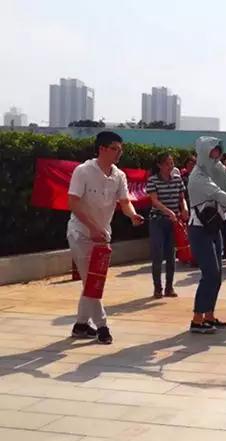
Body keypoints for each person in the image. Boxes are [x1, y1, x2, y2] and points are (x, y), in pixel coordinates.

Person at [67, 131, 144, 344]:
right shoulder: (83, 171)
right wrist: (91, 228)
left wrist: (132, 215)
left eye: (120, 150)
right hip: (81, 234)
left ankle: (81, 325)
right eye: (114, 149)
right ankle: (102, 326)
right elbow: (73, 202)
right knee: (92, 280)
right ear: (101, 149)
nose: (119, 153)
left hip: (102, 237)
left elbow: (125, 202)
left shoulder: (119, 176)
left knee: (92, 281)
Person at [187, 136, 226, 334]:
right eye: (213, 152)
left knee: (217, 274)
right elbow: (217, 194)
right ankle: (197, 320)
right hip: (199, 229)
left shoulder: (216, 167)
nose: (216, 156)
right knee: (210, 273)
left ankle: (209, 316)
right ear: (204, 153)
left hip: (213, 226)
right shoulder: (198, 176)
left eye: (218, 152)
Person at [147, 152, 188, 298]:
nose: (170, 166)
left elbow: (182, 198)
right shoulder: (153, 180)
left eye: (172, 163)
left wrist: (184, 209)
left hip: (173, 222)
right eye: (167, 164)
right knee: (157, 254)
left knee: (171, 254)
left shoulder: (177, 179)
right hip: (157, 220)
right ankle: (157, 288)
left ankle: (169, 287)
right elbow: (154, 201)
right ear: (159, 165)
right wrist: (168, 211)